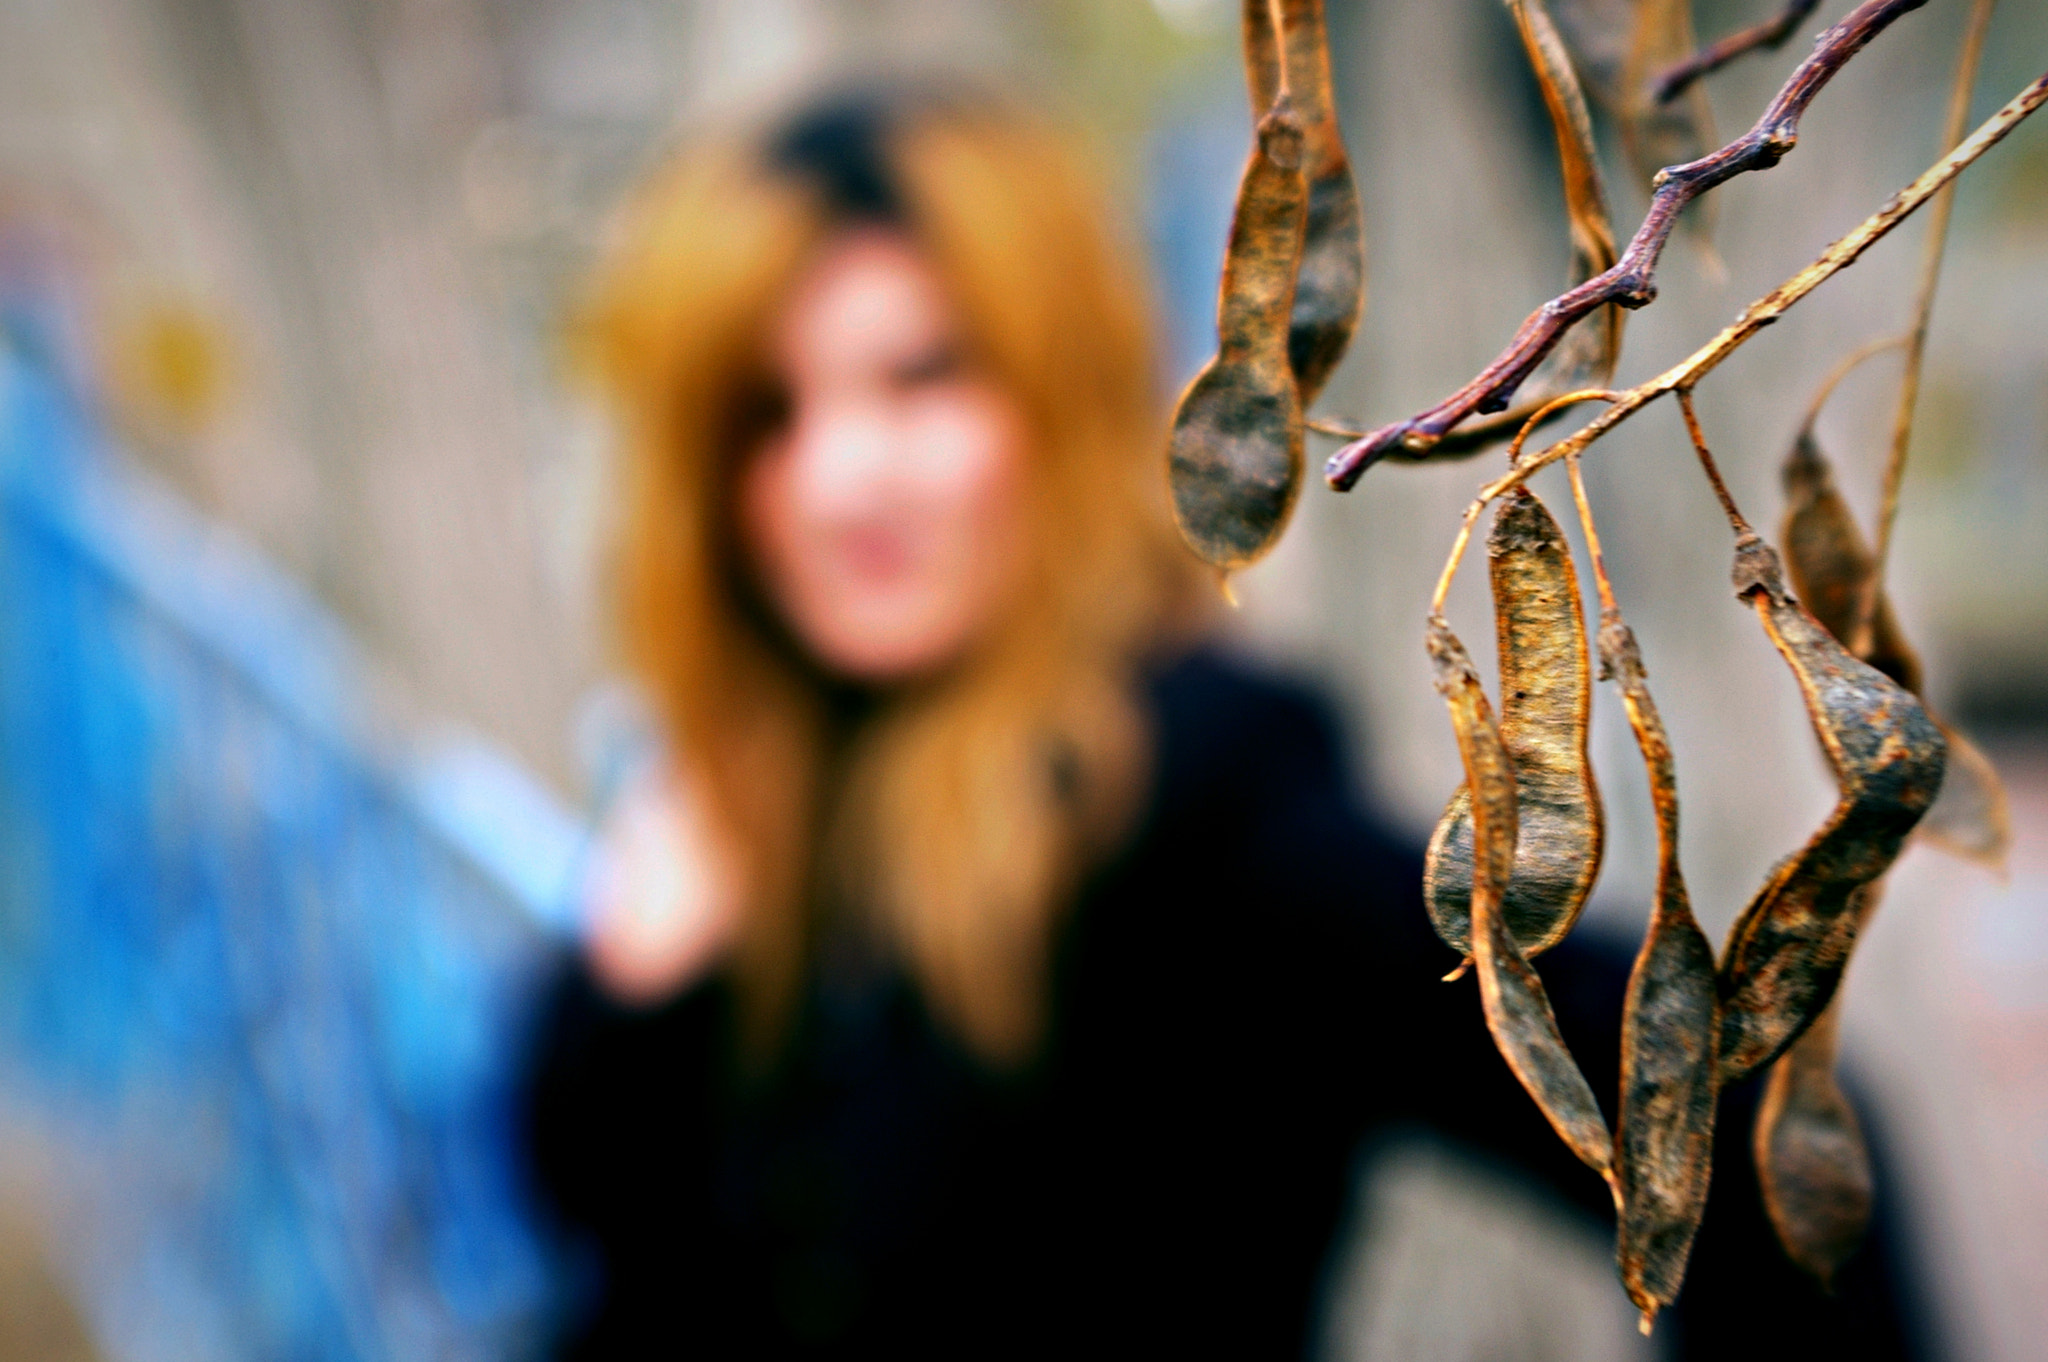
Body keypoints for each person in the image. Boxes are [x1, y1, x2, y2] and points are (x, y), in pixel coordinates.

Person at [520, 86, 1933, 1360]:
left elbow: (1759, 1135)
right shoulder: (779, 783)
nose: (840, 477)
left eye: (921, 377)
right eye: (773, 411)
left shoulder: (1193, 815)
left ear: (1052, 394)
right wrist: (644, 979)